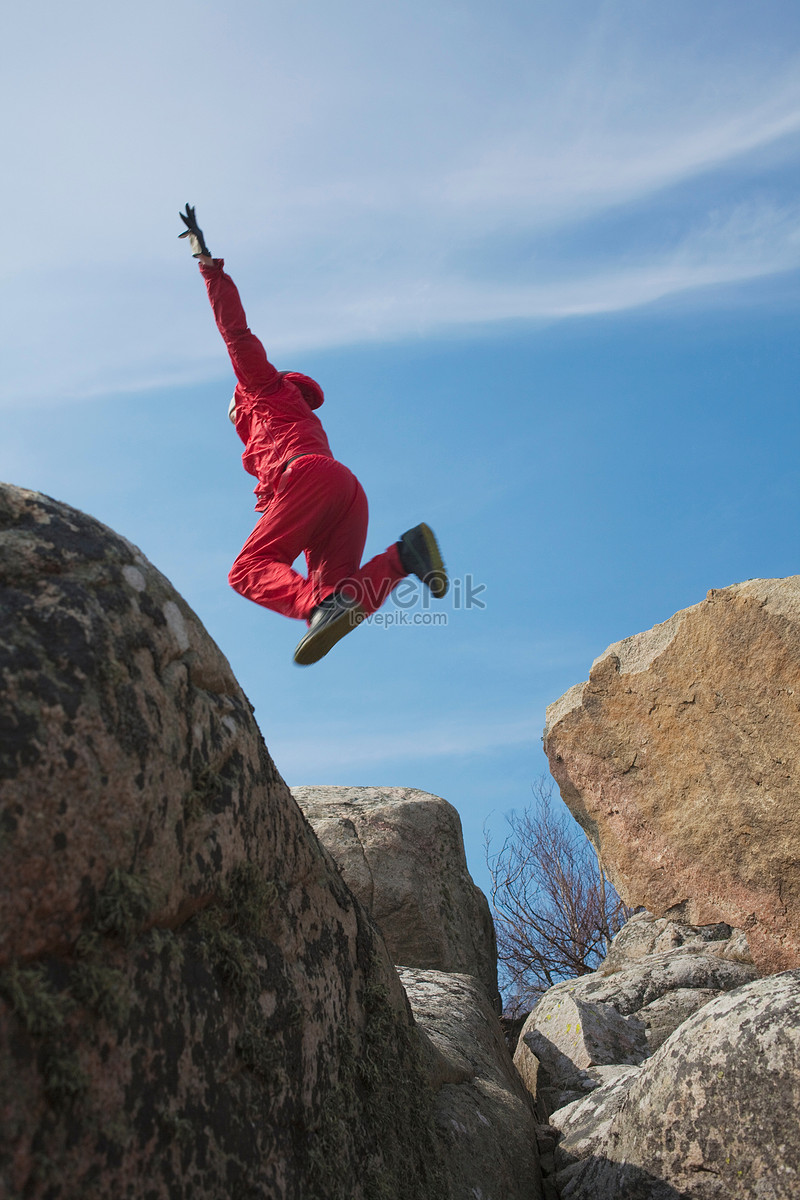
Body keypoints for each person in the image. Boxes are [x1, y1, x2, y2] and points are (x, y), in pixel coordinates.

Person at [179, 205, 448, 665]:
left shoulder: (260, 387)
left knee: (247, 570)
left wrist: (207, 266)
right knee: (338, 600)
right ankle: (405, 555)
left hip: (307, 477)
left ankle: (318, 605)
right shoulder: (284, 419)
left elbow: (235, 332)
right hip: (342, 490)